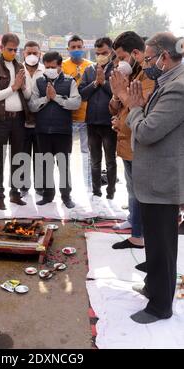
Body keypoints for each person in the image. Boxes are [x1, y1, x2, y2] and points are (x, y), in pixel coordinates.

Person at [127, 33, 184, 324]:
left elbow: (148, 131)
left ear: (165, 55)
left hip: (163, 181)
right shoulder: (171, 81)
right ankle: (153, 288)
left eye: (149, 58)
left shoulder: (179, 87)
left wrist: (133, 107)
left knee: (163, 246)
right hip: (153, 180)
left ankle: (161, 306)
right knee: (154, 241)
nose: (147, 64)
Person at [109, 32, 154, 251]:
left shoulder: (148, 75)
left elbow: (142, 106)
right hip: (125, 140)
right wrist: (116, 94)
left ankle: (138, 235)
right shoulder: (135, 74)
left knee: (139, 190)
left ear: (136, 53)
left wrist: (122, 90)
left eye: (122, 57)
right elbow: (117, 107)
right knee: (131, 187)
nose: (119, 62)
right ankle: (133, 221)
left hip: (139, 141)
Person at [29, 51, 81, 209]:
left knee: (63, 165)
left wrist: (56, 97)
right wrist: (46, 98)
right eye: (47, 66)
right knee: (46, 164)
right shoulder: (38, 82)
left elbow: (76, 103)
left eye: (53, 66)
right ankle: (47, 195)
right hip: (43, 131)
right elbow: (32, 105)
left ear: (60, 66)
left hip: (62, 131)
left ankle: (66, 196)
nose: (50, 69)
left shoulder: (69, 81)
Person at [0, 33, 32, 210]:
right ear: (1, 48)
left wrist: (23, 86)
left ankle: (15, 193)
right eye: (9, 49)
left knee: (17, 157)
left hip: (19, 119)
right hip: (1, 119)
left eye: (15, 49)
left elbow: (27, 96)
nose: (13, 52)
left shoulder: (21, 67)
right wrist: (13, 87)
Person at [79, 37, 117, 200]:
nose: (101, 56)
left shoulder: (117, 70)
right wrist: (95, 83)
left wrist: (104, 83)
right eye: (98, 53)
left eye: (104, 53)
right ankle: (96, 191)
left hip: (109, 123)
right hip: (92, 122)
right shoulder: (89, 70)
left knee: (110, 160)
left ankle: (111, 191)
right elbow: (82, 94)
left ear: (112, 52)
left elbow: (119, 94)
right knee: (94, 160)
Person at [62, 35, 93, 190]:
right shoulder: (62, 66)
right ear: (68, 49)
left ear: (83, 48)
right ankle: (67, 189)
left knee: (87, 153)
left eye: (79, 47)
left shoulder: (91, 66)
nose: (76, 50)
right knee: (65, 154)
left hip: (87, 117)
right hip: (68, 118)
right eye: (73, 47)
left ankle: (89, 187)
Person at [21, 41, 45, 198]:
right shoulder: (17, 70)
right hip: (20, 120)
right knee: (22, 155)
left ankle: (40, 187)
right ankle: (23, 186)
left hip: (41, 120)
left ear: (40, 54)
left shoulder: (45, 70)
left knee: (40, 155)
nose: (32, 56)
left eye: (35, 53)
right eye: (28, 53)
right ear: (23, 53)